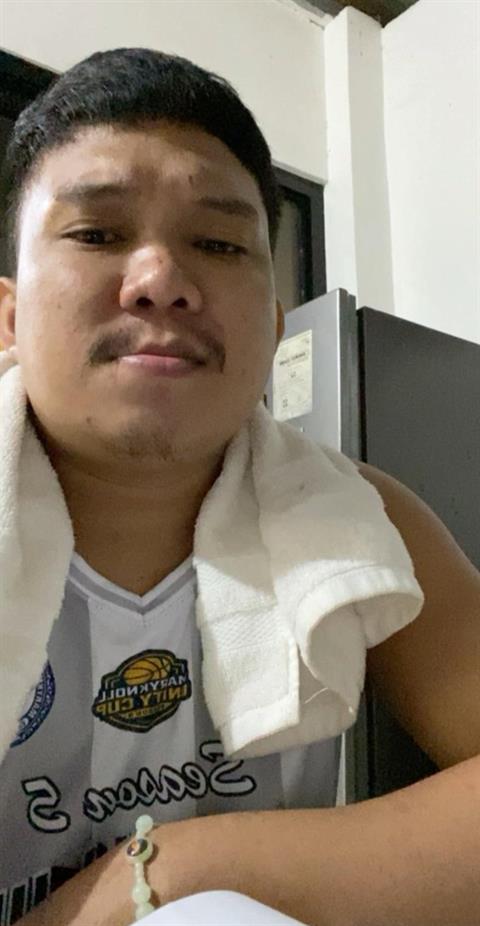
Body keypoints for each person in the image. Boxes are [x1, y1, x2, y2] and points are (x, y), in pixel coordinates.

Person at [0, 47, 479, 926]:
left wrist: (168, 871)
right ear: (8, 317)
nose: (161, 282)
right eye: (97, 234)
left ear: (272, 324)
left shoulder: (362, 522)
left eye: (218, 244)